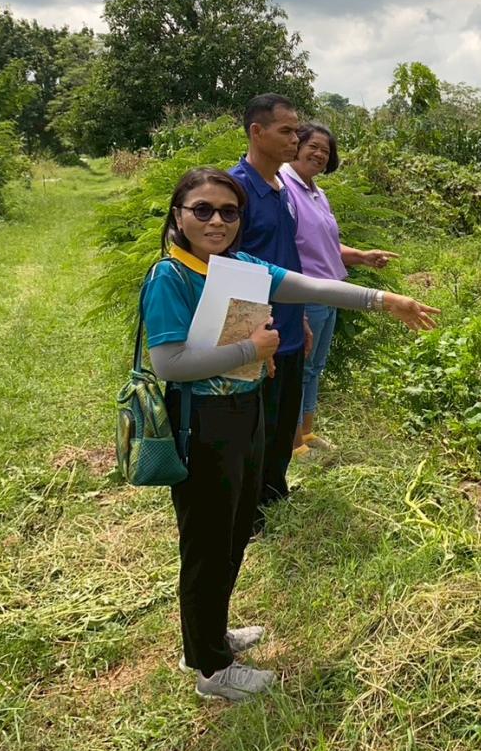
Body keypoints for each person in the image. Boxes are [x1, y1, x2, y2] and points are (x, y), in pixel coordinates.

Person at [143, 166, 438, 701]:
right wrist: (249, 352)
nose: (216, 221)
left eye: (229, 212)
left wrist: (385, 301)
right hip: (202, 423)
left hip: (245, 411)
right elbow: (168, 363)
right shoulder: (172, 276)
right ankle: (212, 669)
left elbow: (308, 284)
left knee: (234, 529)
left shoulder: (242, 266)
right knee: (208, 543)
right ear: (178, 215)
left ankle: (211, 635)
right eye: (202, 210)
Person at [281, 122, 399, 453]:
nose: (319, 154)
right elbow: (285, 249)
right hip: (303, 293)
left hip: (328, 290)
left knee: (314, 367)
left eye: (326, 150)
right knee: (297, 369)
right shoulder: (284, 189)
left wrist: (361, 256)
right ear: (296, 145)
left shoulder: (316, 192)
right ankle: (291, 445)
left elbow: (324, 246)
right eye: (313, 146)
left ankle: (306, 433)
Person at [228, 94, 308, 516]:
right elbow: (227, 268)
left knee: (281, 422)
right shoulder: (234, 190)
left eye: (297, 130)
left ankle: (275, 494)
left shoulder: (282, 187)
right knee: (255, 426)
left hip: (291, 326)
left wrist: (303, 321)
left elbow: (287, 255)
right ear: (256, 132)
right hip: (258, 333)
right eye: (286, 131)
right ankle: (250, 510)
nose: (295, 139)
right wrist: (252, 334)